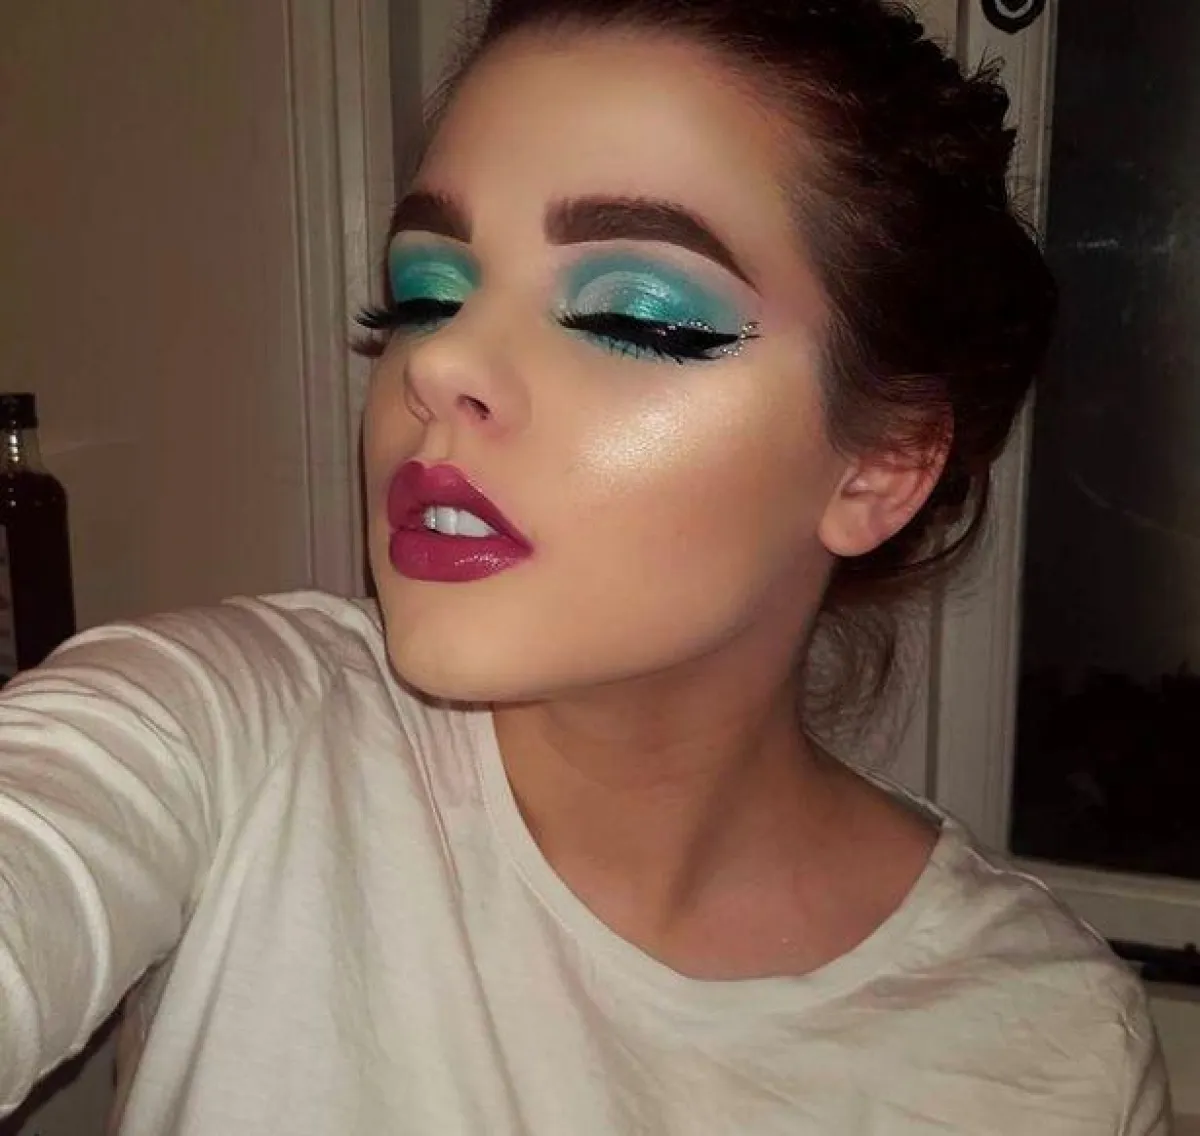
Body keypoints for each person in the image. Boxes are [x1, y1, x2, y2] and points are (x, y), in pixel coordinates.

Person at [0, 0, 1172, 1132]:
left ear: (881, 466)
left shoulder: (1048, 1046)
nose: (438, 363)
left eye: (633, 315)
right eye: (425, 293)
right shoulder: (226, 731)